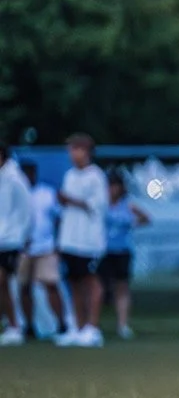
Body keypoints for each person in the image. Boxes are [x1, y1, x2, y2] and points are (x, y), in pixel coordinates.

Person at [56, 134, 109, 348]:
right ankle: (77, 328)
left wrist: (71, 200)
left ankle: (92, 328)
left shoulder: (95, 176)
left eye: (76, 149)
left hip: (89, 240)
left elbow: (98, 206)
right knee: (74, 283)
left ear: (87, 152)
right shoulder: (69, 176)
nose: (72, 154)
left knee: (92, 282)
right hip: (70, 239)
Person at [17, 160, 69, 341]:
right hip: (22, 248)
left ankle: (62, 323)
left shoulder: (46, 193)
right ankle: (28, 326)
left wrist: (58, 243)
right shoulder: (16, 193)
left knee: (51, 285)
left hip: (46, 247)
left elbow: (59, 218)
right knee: (24, 287)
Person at [100, 172, 151, 339]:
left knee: (121, 287)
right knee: (98, 288)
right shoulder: (101, 205)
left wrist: (131, 224)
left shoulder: (127, 205)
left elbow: (146, 218)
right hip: (103, 251)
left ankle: (122, 325)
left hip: (122, 251)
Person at [0, 143, 33, 346]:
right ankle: (11, 324)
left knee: (5, 282)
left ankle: (16, 325)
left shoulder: (15, 178)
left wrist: (21, 235)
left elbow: (26, 210)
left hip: (11, 240)